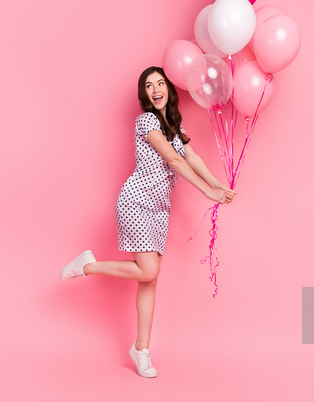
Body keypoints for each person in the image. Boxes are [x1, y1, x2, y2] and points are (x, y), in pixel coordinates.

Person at [60, 66, 235, 378]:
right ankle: (88, 265)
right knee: (149, 269)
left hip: (159, 210)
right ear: (144, 94)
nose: (156, 89)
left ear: (168, 89)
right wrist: (206, 191)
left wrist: (218, 184)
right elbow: (174, 160)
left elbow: (192, 157)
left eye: (160, 84)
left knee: (149, 279)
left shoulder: (173, 125)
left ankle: (141, 350)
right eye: (149, 85)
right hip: (136, 202)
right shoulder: (147, 121)